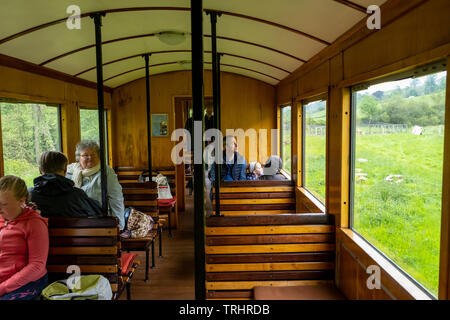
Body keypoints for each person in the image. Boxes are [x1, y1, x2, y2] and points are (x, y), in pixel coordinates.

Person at [0, 175, 49, 300]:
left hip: (28, 282)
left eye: (3, 204)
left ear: (21, 201)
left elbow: (37, 265)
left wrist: (4, 287)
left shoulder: (34, 224)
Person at [66, 140, 126, 230]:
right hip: (75, 220)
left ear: (98, 156)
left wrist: (119, 226)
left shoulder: (106, 172)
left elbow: (116, 198)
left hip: (99, 219)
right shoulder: (69, 172)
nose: (90, 157)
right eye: (85, 155)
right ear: (78, 158)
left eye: (93, 154)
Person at [30, 151, 103, 218]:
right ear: (65, 171)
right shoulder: (78, 196)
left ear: (40, 171)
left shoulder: (28, 196)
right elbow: (99, 213)